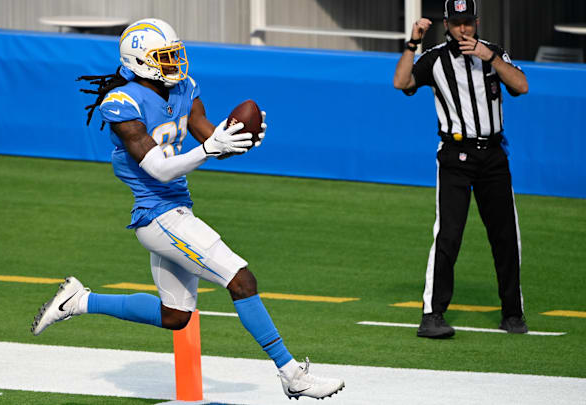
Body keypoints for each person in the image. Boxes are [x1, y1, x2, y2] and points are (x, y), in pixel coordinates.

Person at [31, 18, 344, 399]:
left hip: (178, 209)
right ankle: (292, 374)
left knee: (175, 317)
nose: (175, 62)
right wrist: (212, 149)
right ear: (139, 61)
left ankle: (79, 300)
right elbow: (160, 169)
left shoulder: (183, 87)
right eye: (164, 56)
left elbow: (204, 132)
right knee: (241, 279)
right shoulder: (121, 104)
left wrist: (233, 140)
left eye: (175, 53)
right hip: (157, 214)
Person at [393, 0, 529, 339]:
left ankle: (513, 313)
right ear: (446, 25)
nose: (463, 29)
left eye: (468, 22)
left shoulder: (494, 53)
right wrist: (413, 43)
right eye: (456, 23)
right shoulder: (436, 59)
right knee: (449, 234)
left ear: (477, 22)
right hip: (455, 155)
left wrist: (490, 58)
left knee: (505, 236)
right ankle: (432, 315)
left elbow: (522, 86)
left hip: (494, 155)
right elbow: (401, 82)